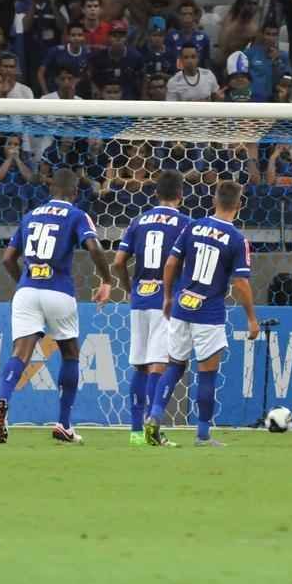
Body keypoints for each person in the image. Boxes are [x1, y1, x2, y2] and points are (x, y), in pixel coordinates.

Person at [0, 168, 112, 444]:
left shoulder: (30, 215)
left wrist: (24, 282)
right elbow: (93, 247)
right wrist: (106, 280)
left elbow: (8, 258)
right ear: (75, 193)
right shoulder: (77, 215)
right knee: (70, 354)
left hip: (27, 290)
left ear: (50, 191)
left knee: (20, 353)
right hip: (58, 292)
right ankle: (64, 424)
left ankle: (2, 403)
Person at [144, 181, 259, 447]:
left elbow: (171, 262)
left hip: (183, 307)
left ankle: (155, 415)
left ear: (214, 201)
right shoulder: (237, 239)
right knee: (207, 373)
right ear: (239, 206)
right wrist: (252, 318)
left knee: (174, 366)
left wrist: (169, 296)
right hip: (209, 312)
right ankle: (203, 435)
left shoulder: (193, 226)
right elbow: (241, 283)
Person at [112, 170, 188, 447]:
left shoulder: (138, 221)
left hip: (140, 299)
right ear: (180, 195)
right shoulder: (185, 224)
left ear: (156, 193)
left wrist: (129, 289)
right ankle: (150, 429)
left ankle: (134, 433)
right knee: (160, 363)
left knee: (140, 365)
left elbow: (119, 262)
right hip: (165, 301)